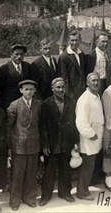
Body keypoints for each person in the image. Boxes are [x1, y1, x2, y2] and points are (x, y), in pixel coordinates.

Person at [39, 78, 79, 206]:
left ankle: (65, 192)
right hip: (52, 143)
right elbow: (43, 126)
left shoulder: (71, 102)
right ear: (52, 89)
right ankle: (46, 195)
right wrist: (44, 145)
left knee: (65, 169)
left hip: (66, 141)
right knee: (49, 171)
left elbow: (74, 123)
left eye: (63, 87)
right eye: (58, 87)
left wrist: (75, 142)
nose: (61, 90)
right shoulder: (45, 104)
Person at [8, 79, 41, 210]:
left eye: (31, 89)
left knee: (31, 173)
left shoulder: (38, 104)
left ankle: (29, 197)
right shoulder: (14, 105)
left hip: (34, 143)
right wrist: (9, 147)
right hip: (19, 145)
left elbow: (40, 125)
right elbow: (9, 128)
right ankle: (14, 201)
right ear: (21, 90)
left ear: (35, 91)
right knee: (17, 174)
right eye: (26, 89)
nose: (29, 92)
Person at [75, 73, 105, 201]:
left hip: (96, 136)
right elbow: (81, 122)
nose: (96, 83)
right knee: (87, 166)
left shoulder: (96, 96)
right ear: (87, 83)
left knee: (91, 165)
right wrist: (91, 135)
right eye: (93, 81)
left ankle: (85, 187)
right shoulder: (84, 99)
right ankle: (82, 192)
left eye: (97, 80)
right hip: (89, 138)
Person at [0, 44, 32, 110]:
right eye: (16, 54)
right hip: (9, 103)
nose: (19, 57)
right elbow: (1, 89)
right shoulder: (4, 69)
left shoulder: (27, 67)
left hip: (25, 101)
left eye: (22, 54)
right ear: (11, 55)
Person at [59, 30, 87, 101]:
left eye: (76, 40)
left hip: (83, 91)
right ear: (68, 41)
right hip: (72, 94)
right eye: (72, 40)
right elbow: (64, 78)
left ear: (80, 40)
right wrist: (69, 95)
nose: (74, 43)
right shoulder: (64, 57)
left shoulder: (81, 54)